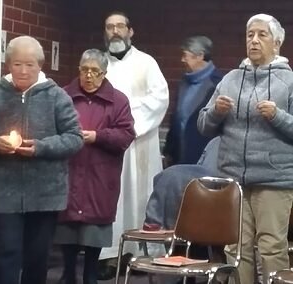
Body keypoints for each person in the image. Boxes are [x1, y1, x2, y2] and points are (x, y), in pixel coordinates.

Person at [0, 36, 83, 284]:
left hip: (45, 194)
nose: (23, 70)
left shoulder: (57, 97)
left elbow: (74, 138)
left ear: (40, 66)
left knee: (37, 258)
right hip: (3, 193)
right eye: (17, 64)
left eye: (30, 64)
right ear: (8, 64)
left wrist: (40, 147)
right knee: (4, 255)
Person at [197, 14, 293, 284]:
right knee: (235, 248)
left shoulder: (289, 82)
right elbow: (203, 125)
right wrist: (216, 112)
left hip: (274, 180)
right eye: (250, 34)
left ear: (277, 44)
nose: (254, 40)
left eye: (262, 35)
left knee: (271, 247)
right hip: (234, 179)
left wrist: (278, 117)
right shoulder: (229, 79)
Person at [98, 11, 170, 279]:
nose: (115, 31)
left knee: (140, 196)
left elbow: (159, 99)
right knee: (112, 200)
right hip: (108, 146)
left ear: (131, 31)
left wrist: (127, 125)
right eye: (109, 27)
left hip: (138, 143)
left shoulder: (146, 63)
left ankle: (141, 255)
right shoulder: (99, 64)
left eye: (120, 26)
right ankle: (109, 255)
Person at [55, 49, 135, 284]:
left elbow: (126, 135)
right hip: (69, 170)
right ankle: (68, 272)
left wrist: (97, 136)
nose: (88, 76)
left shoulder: (118, 101)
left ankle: (90, 273)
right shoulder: (63, 96)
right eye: (84, 70)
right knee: (66, 225)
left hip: (101, 174)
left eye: (95, 72)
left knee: (94, 228)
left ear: (104, 73)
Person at [163, 36, 223, 167]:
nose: (182, 60)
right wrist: (168, 151)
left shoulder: (219, 84)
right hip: (179, 157)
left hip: (204, 158)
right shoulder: (184, 82)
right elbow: (176, 119)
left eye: (185, 55)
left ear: (200, 56)